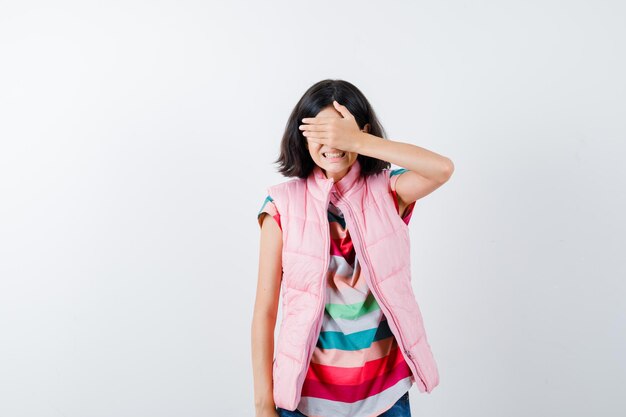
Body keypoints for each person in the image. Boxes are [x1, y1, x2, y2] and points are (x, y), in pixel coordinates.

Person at [252, 79, 454, 417]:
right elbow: (265, 312)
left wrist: (358, 141)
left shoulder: (390, 191)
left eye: (340, 132)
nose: (332, 144)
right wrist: (262, 406)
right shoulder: (281, 206)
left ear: (363, 132)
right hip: (303, 402)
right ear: (302, 136)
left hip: (385, 399)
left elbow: (442, 169)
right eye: (321, 133)